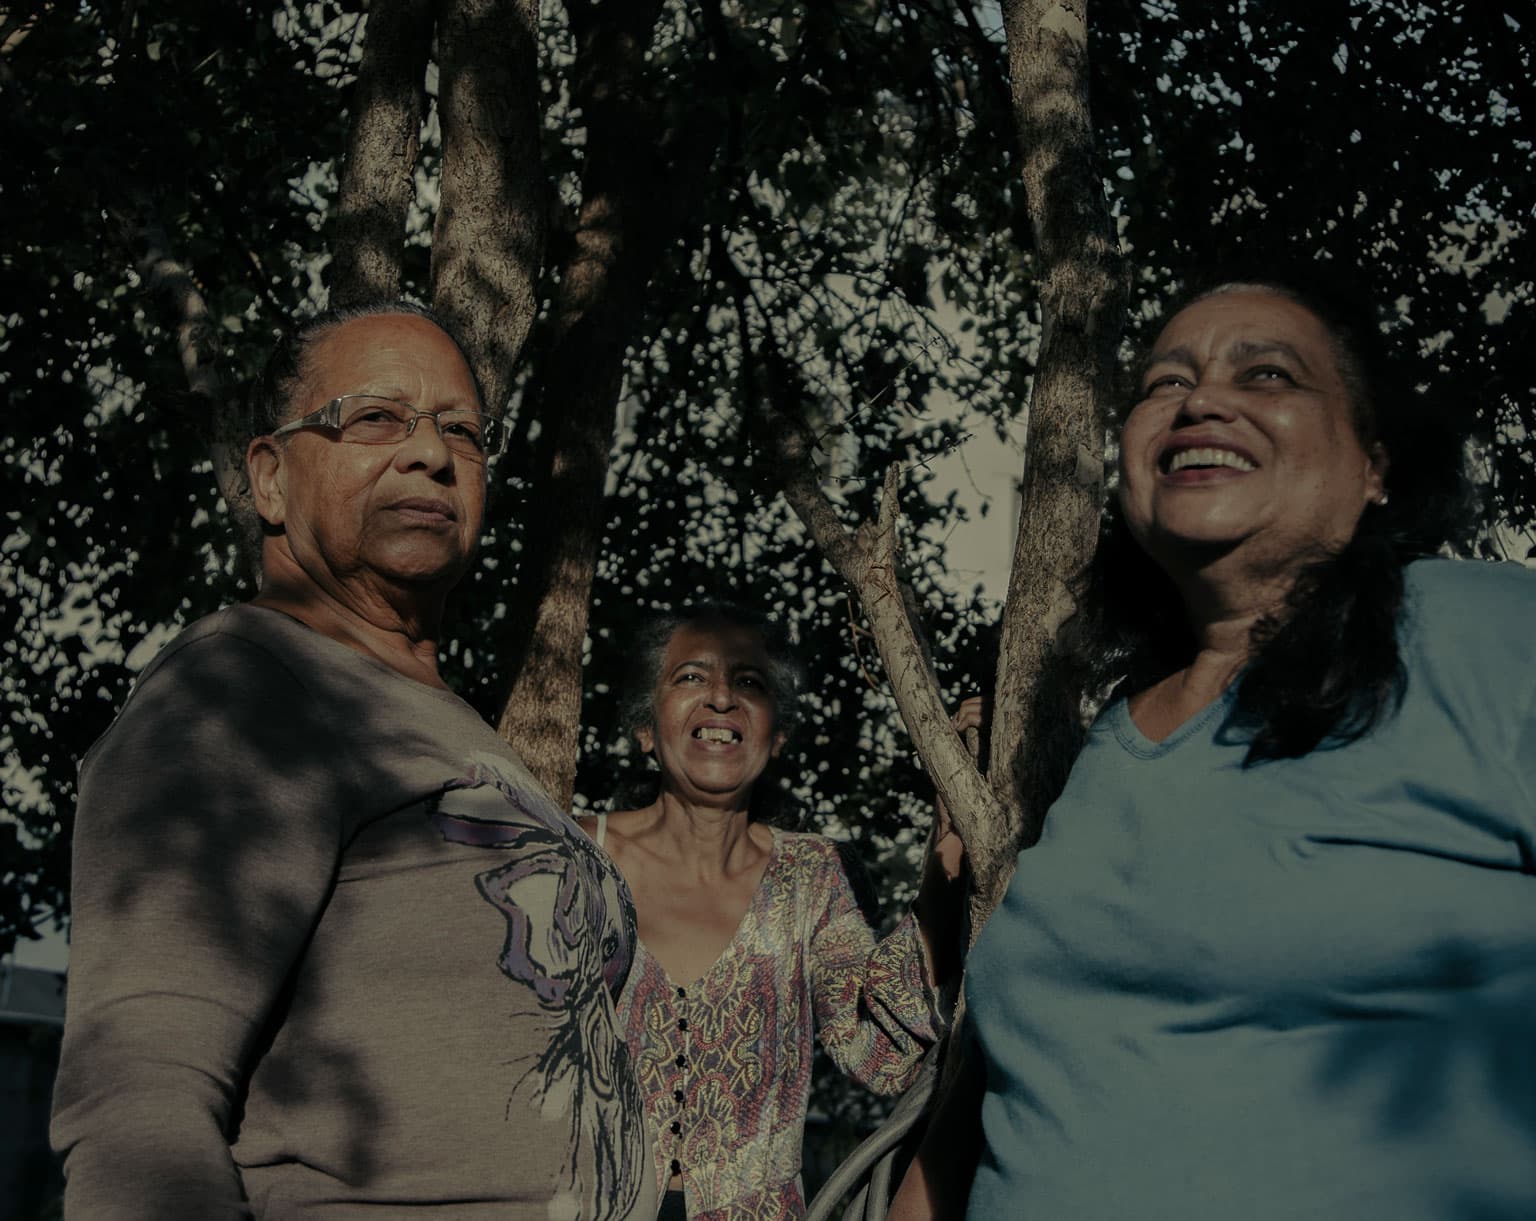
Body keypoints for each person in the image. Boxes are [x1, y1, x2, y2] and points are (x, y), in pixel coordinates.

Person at [893, 273, 1536, 1219]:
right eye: (1163, 383)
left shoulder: (1486, 634)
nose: (1200, 400)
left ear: (1376, 467)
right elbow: (978, 1128)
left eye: (1268, 373)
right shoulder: (1108, 744)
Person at [50, 302, 656, 1220]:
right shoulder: (246, 689)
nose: (431, 453)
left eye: (462, 429)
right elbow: (141, 1103)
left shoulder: (450, 726)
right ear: (269, 478)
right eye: (375, 418)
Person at [582, 603, 966, 1219]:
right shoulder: (577, 853)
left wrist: (949, 840)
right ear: (645, 727)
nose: (721, 700)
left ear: (776, 734)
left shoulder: (816, 876)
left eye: (749, 684)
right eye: (689, 678)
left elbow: (879, 1052)